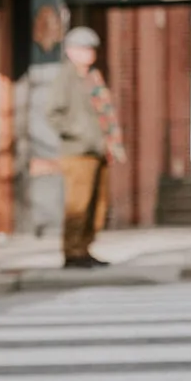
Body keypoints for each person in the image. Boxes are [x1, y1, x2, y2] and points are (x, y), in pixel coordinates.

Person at [45, 26, 126, 268]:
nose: (89, 53)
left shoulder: (93, 77)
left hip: (99, 150)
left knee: (97, 206)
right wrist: (80, 133)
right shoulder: (66, 77)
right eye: (84, 48)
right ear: (70, 51)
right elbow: (53, 113)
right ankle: (72, 252)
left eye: (91, 49)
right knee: (77, 206)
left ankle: (86, 248)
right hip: (78, 152)